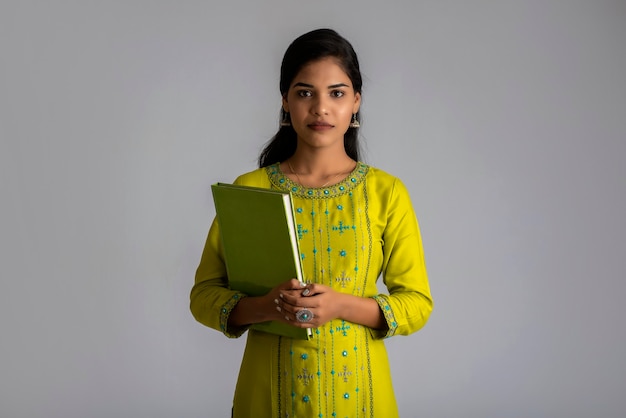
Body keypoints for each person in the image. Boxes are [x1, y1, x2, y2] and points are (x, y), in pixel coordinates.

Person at [191, 28, 433, 418]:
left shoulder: (386, 192)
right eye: (305, 93)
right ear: (286, 101)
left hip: (360, 397)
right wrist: (265, 307)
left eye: (336, 93)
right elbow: (204, 296)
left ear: (356, 101)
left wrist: (341, 305)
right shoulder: (252, 190)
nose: (321, 107)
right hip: (268, 396)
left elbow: (416, 304)